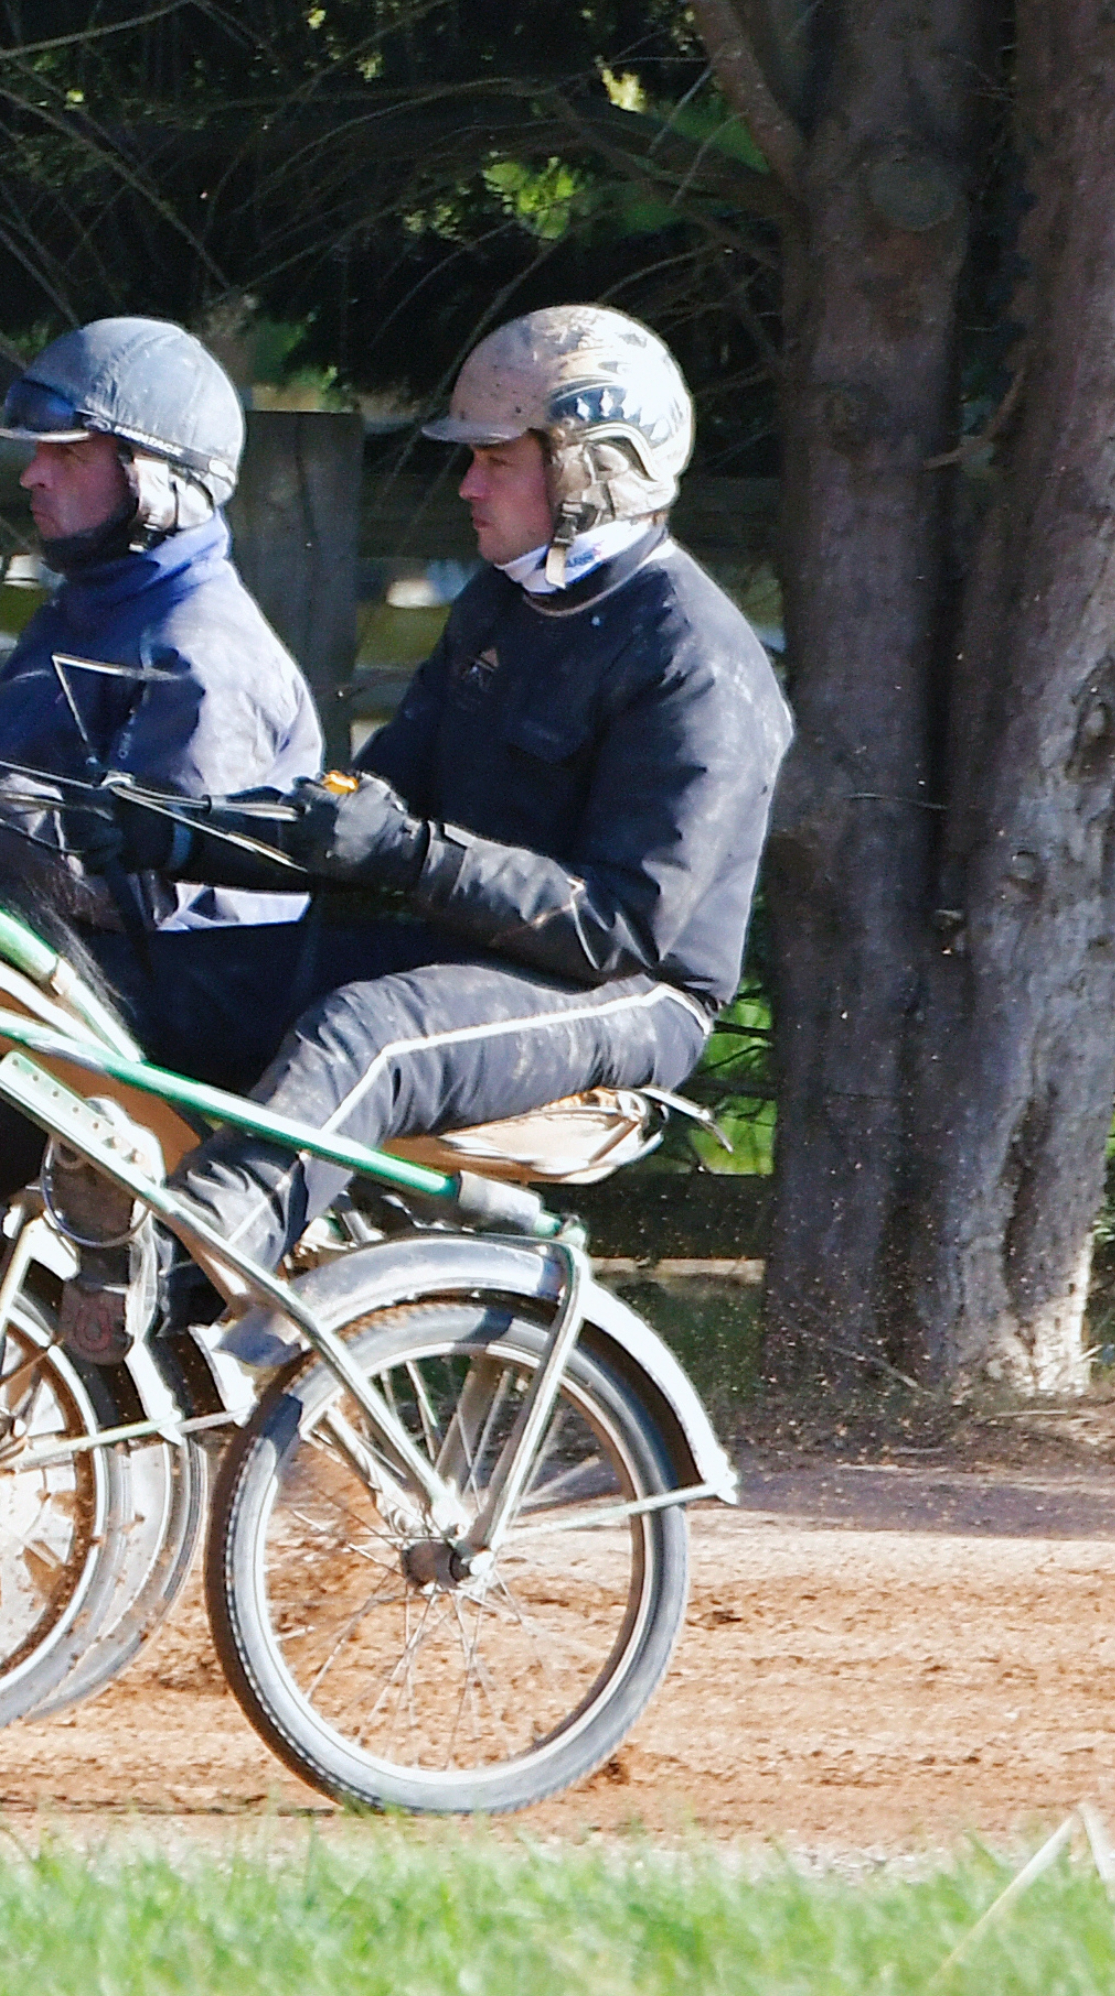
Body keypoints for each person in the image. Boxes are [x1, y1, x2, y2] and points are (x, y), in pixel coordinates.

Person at [103, 303, 785, 1291]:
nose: (465, 485)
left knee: (366, 1037)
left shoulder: (695, 658)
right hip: (465, 957)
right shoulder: (502, 603)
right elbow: (368, 810)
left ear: (593, 468)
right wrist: (163, 835)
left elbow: (621, 929)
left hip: (627, 1001)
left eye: (495, 461)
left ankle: (175, 1274)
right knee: (121, 984)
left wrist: (402, 852)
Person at [0, 317, 323, 1088]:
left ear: (157, 477)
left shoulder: (201, 655)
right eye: (35, 452)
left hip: (152, 1019)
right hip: (34, 964)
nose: (33, 475)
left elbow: (144, 895)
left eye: (66, 453)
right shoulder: (87, 611)